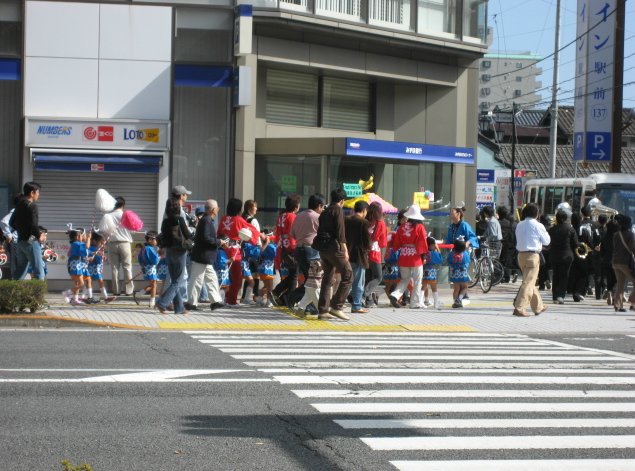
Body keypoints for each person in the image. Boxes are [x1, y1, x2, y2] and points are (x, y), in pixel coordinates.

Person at [316, 188, 353, 321]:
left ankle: (323, 310)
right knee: (348, 274)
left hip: (323, 248)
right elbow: (340, 231)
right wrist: (345, 249)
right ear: (342, 200)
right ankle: (336, 306)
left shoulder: (325, 211)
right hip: (334, 247)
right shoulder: (338, 210)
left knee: (328, 277)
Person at [216, 198, 260, 306]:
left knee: (226, 277)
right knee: (237, 278)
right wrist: (259, 237)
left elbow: (218, 233)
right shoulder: (238, 219)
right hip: (234, 251)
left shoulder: (223, 219)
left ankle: (225, 298)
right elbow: (250, 230)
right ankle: (231, 301)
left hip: (223, 249)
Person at [185, 199, 225, 311]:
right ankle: (191, 303)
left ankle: (215, 301)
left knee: (211, 279)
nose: (218, 209)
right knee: (196, 280)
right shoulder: (206, 221)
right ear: (213, 210)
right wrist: (218, 242)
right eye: (217, 208)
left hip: (204, 256)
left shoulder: (206, 220)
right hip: (202, 256)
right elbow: (206, 238)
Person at [156, 197, 193, 315]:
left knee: (174, 280)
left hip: (169, 252)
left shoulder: (165, 221)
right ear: (178, 207)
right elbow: (187, 234)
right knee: (178, 281)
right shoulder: (180, 219)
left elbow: (162, 235)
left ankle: (180, 308)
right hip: (180, 252)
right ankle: (162, 302)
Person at [289, 193, 326, 309]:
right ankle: (294, 299)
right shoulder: (317, 217)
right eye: (323, 207)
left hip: (299, 250)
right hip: (311, 251)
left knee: (309, 280)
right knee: (312, 281)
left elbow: (292, 234)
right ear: (319, 206)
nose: (323, 209)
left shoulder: (299, 216)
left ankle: (302, 303)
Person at [388, 204, 429, 309]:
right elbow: (422, 243)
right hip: (415, 257)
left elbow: (396, 243)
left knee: (405, 279)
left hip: (404, 256)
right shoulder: (420, 227)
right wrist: (424, 256)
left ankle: (395, 294)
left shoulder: (401, 227)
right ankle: (414, 302)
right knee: (417, 280)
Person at [513, 203, 550, 317]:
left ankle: (538, 307)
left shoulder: (519, 224)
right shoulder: (538, 225)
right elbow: (547, 241)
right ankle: (519, 307)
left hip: (521, 256)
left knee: (530, 281)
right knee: (528, 283)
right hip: (532, 256)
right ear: (537, 213)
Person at [10, 182, 45, 280]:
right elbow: (34, 226)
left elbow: (11, 223)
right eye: (38, 192)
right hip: (31, 241)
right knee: (39, 271)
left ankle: (12, 293)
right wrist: (39, 236)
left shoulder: (19, 204)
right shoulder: (32, 206)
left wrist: (22, 230)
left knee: (20, 271)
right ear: (32, 193)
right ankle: (38, 295)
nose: (39, 195)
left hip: (20, 241)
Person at [445, 203, 478, 305]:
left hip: (463, 254)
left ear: (458, 214)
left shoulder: (464, 225)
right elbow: (448, 240)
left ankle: (461, 297)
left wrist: (468, 243)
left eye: (452, 212)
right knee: (458, 279)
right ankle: (461, 296)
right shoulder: (451, 227)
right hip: (454, 253)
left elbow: (473, 237)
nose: (450, 214)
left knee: (460, 278)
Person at [271, 194, 301, 307]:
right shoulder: (293, 217)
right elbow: (294, 234)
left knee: (293, 274)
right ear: (296, 206)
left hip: (283, 247)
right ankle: (288, 298)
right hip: (292, 248)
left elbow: (278, 233)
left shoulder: (281, 216)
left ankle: (280, 294)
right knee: (294, 275)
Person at [102, 196, 134, 296]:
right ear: (123, 205)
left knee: (114, 268)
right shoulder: (127, 215)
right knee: (127, 267)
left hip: (112, 243)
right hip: (125, 243)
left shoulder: (108, 216)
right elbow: (133, 229)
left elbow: (104, 230)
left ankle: (116, 291)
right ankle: (128, 290)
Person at [546, 209, 578, 304]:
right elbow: (576, 244)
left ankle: (554, 296)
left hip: (554, 256)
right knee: (564, 275)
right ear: (566, 218)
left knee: (555, 275)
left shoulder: (551, 230)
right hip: (567, 256)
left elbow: (548, 243)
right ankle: (561, 295)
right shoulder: (570, 229)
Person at [345, 200, 371, 314]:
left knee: (346, 281)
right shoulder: (364, 222)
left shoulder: (346, 220)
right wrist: (368, 249)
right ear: (364, 210)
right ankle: (356, 305)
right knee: (359, 282)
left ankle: (337, 303)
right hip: (359, 255)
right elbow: (367, 241)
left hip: (346, 254)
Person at [363, 202, 387, 308]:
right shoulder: (380, 222)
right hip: (375, 251)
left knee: (368, 277)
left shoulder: (366, 221)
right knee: (378, 277)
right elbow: (380, 240)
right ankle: (364, 293)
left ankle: (368, 301)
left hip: (365, 251)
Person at [612, 214, 635, 312]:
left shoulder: (616, 234)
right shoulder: (630, 234)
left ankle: (618, 305)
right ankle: (632, 302)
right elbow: (633, 248)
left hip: (615, 261)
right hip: (625, 262)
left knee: (620, 284)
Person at [63, 227, 91, 306]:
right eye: (81, 236)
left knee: (77, 282)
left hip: (76, 265)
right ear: (76, 237)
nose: (82, 237)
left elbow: (84, 252)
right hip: (76, 265)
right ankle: (67, 293)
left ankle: (75, 299)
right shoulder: (76, 244)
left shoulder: (75, 244)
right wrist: (89, 238)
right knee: (81, 284)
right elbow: (87, 247)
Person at [241, 200, 261, 302]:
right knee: (256, 274)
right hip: (254, 249)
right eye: (255, 207)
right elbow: (257, 236)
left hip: (244, 250)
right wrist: (261, 247)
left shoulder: (242, 219)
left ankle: (244, 296)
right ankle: (255, 296)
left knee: (248, 275)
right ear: (249, 208)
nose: (256, 209)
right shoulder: (253, 221)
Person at [87, 232, 116, 304]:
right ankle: (104, 297)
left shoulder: (97, 249)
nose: (101, 244)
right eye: (100, 242)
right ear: (94, 241)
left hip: (95, 268)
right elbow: (93, 257)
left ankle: (88, 296)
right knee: (98, 281)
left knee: (90, 282)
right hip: (94, 268)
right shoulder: (92, 248)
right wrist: (99, 255)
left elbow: (98, 257)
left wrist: (103, 257)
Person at [136, 231, 161, 308]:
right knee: (153, 285)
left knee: (153, 284)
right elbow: (155, 260)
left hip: (146, 268)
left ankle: (139, 294)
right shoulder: (150, 249)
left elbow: (139, 259)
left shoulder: (144, 248)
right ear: (150, 240)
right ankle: (152, 302)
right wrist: (160, 256)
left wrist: (143, 266)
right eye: (155, 239)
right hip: (151, 268)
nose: (156, 241)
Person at [448, 237, 471, 308]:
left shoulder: (451, 254)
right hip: (462, 273)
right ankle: (459, 299)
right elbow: (468, 262)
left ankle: (455, 301)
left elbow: (449, 261)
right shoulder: (465, 254)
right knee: (464, 287)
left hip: (454, 274)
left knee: (456, 289)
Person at [497, 205, 517, 283]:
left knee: (500, 260)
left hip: (499, 244)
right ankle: (508, 276)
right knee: (507, 260)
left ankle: (501, 276)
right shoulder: (510, 223)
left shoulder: (498, 223)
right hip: (509, 244)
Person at [601, 218, 619, 306]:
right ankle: (614, 295)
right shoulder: (618, 237)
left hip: (606, 260)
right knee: (617, 280)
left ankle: (609, 291)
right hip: (616, 261)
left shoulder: (605, 236)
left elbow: (602, 251)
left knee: (609, 279)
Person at [256, 229, 277, 307]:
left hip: (262, 268)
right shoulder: (271, 246)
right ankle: (268, 301)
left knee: (266, 286)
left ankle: (259, 298)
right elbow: (276, 254)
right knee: (270, 286)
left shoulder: (263, 246)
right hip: (267, 268)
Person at [422, 236, 443, 309]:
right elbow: (440, 260)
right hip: (432, 272)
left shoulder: (424, 253)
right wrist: (438, 249)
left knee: (423, 287)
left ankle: (421, 301)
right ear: (432, 245)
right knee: (434, 288)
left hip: (424, 271)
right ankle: (436, 303)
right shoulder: (434, 253)